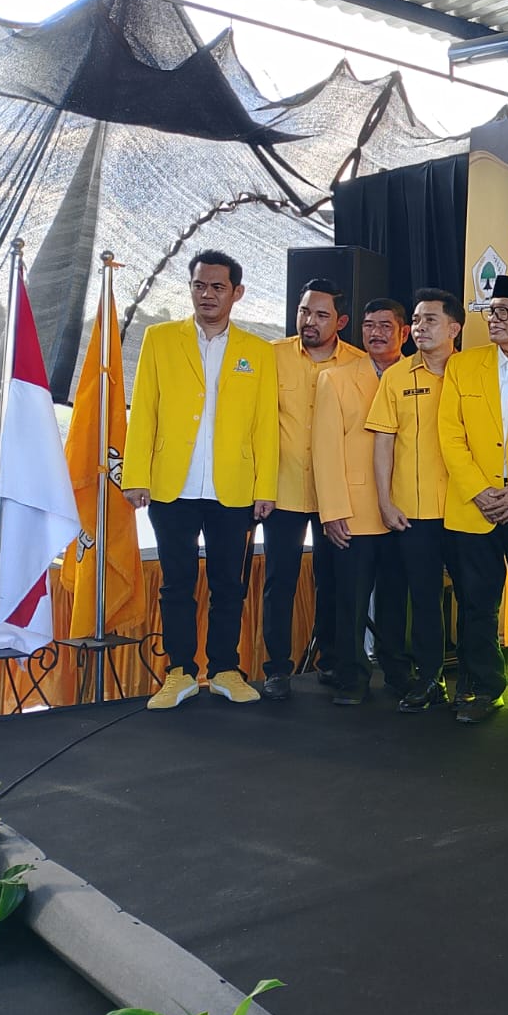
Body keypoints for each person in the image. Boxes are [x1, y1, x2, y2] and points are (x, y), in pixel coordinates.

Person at [123, 249, 278, 710]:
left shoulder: (258, 351)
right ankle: (180, 672)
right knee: (176, 584)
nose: (207, 294)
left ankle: (225, 668)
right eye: (199, 285)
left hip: (234, 488)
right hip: (172, 485)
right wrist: (136, 475)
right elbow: (143, 410)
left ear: (237, 293)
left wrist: (265, 487)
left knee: (229, 585)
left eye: (217, 287)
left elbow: (265, 425)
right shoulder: (159, 339)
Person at [438, 274, 508, 726]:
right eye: (491, 310)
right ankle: (485, 688)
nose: (495, 318)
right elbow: (450, 435)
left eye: (506, 311)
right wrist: (481, 491)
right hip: (475, 506)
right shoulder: (463, 366)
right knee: (477, 604)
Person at [259, 278, 365, 701]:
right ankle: (276, 670)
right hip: (281, 490)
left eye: (321, 315)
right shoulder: (271, 356)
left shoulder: (358, 364)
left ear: (341, 321)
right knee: (279, 581)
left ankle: (332, 661)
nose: (309, 321)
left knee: (333, 580)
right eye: (305, 311)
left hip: (333, 496)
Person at [365, 288, 462, 714]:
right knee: (423, 599)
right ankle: (429, 678)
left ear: (454, 328)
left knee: (475, 600)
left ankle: (477, 682)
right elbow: (384, 442)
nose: (420, 328)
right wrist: (385, 501)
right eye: (417, 320)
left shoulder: (472, 372)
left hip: (466, 507)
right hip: (413, 511)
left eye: (430, 320)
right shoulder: (397, 376)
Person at [312, 298, 411, 705]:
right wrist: (333, 511)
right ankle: (351, 675)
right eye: (369, 325)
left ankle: (399, 672)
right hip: (354, 510)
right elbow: (325, 449)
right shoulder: (335, 379)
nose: (376, 333)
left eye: (385, 326)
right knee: (349, 600)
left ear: (404, 332)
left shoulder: (419, 374)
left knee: (397, 598)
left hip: (407, 509)